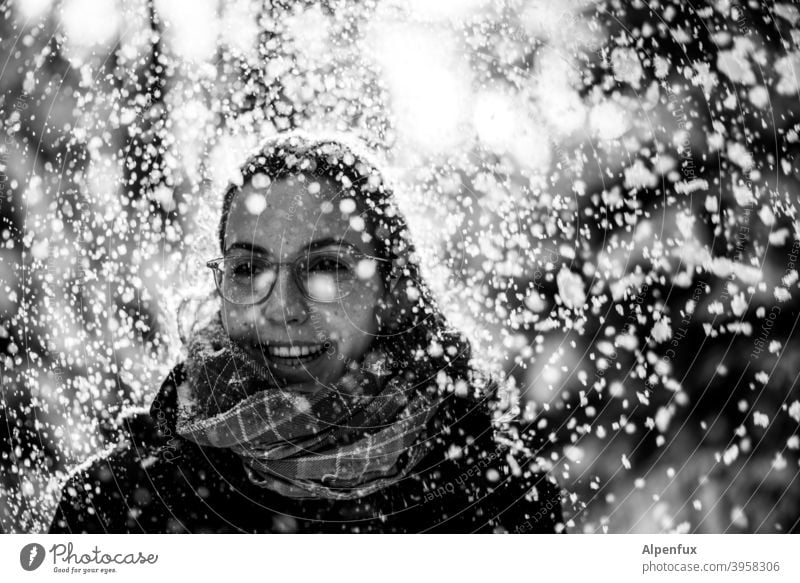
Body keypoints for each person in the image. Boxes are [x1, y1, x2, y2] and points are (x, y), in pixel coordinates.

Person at [49, 133, 564, 533]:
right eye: (248, 270)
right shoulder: (117, 507)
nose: (283, 309)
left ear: (392, 291)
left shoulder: (500, 504)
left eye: (325, 267)